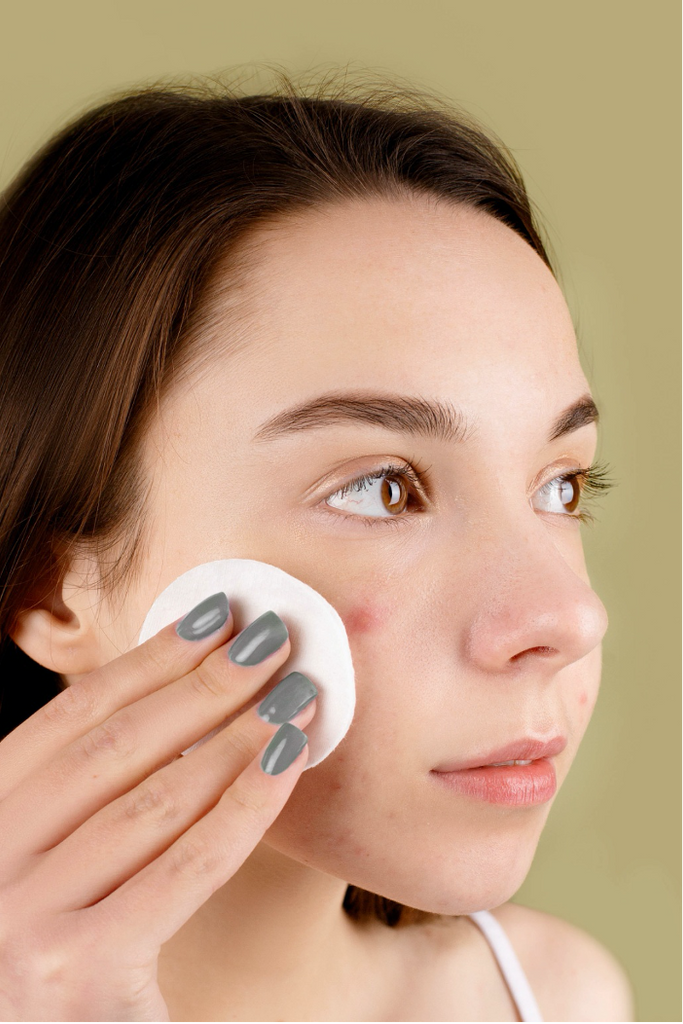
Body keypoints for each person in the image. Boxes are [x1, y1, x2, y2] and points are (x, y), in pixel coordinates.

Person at [0, 70, 635, 1021]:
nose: (568, 619)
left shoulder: (560, 996)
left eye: (559, 484)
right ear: (53, 590)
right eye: (384, 489)